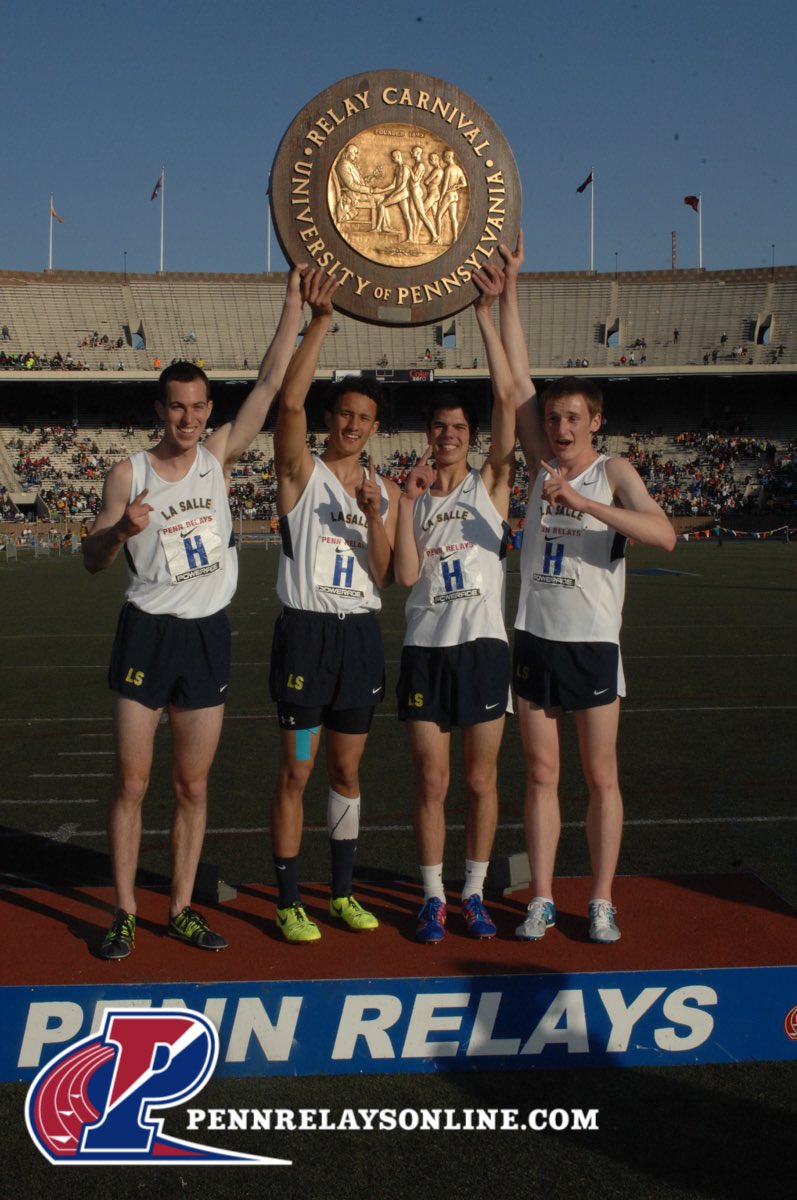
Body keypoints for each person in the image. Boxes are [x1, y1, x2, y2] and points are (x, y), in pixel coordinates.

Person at [82, 265, 306, 960]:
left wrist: (295, 302)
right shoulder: (130, 472)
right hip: (146, 633)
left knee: (190, 784)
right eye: (176, 407)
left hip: (206, 637)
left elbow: (269, 384)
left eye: (198, 406)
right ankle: (123, 910)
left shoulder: (217, 457)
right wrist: (121, 532)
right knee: (134, 782)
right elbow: (90, 558)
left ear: (209, 410)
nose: (188, 418)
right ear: (160, 410)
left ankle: (178, 908)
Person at [498, 232, 676, 944]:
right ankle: (541, 896)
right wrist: (506, 288)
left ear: (594, 423)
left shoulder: (613, 472)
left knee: (599, 776)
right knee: (541, 775)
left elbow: (661, 534)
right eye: (554, 419)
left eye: (573, 418)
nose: (561, 427)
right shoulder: (540, 462)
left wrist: (587, 505)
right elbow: (514, 383)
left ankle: (600, 898)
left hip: (593, 644)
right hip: (536, 637)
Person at [269, 267, 401, 943]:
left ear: (376, 427)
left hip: (358, 642)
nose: (352, 426)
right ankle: (289, 899)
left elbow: (383, 573)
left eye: (364, 418)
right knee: (297, 766)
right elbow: (286, 407)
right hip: (305, 638)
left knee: (347, 769)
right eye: (344, 414)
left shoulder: (385, 490)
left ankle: (342, 892)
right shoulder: (300, 471)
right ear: (331, 420)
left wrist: (378, 517)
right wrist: (319, 319)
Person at [393, 263, 517, 942]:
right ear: (428, 433)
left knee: (478, 779)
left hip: (481, 647)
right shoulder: (408, 493)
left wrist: (484, 315)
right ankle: (433, 896)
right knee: (433, 782)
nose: (448, 435)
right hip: (424, 648)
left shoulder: (490, 485)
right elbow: (408, 574)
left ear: (469, 436)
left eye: (458, 428)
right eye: (439, 427)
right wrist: (409, 503)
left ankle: (473, 891)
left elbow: (505, 396)